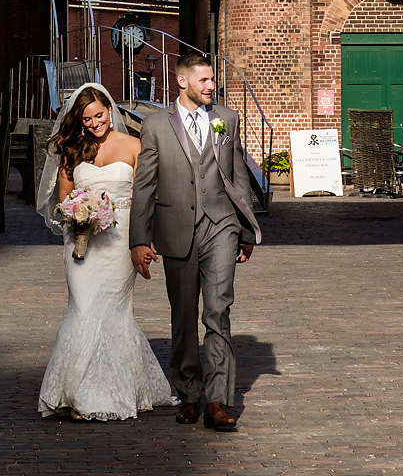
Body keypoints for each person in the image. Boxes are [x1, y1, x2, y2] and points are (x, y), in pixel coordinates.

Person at [130, 51, 261, 431]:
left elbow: (238, 178)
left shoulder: (227, 120)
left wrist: (247, 230)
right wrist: (139, 238)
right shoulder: (155, 126)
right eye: (203, 80)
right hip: (175, 229)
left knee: (218, 310)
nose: (211, 86)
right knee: (183, 314)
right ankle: (189, 391)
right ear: (182, 81)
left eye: (212, 80)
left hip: (221, 226)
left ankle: (218, 401)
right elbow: (145, 185)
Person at [36, 82, 173, 420]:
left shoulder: (134, 145)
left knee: (112, 311)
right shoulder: (73, 148)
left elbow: (148, 196)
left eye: (99, 115)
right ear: (78, 121)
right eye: (86, 119)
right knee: (82, 309)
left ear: (110, 110)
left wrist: (147, 237)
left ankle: (101, 394)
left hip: (120, 239)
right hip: (82, 240)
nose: (94, 123)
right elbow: (64, 199)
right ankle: (77, 389)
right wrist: (80, 212)